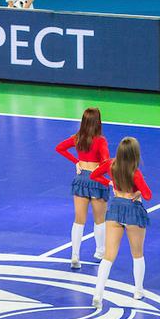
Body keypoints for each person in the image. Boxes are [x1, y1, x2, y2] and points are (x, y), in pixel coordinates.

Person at [90, 136, 153, 308]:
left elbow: (95, 175)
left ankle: (98, 293)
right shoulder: (135, 173)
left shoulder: (111, 165)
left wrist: (109, 182)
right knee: (137, 254)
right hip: (133, 211)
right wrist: (137, 193)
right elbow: (148, 194)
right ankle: (138, 290)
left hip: (115, 209)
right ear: (135, 154)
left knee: (108, 256)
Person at [57, 107, 111, 268]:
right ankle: (100, 251)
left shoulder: (77, 138)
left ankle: (75, 255)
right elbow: (106, 162)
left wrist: (76, 162)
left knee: (79, 220)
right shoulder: (101, 140)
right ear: (98, 122)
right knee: (100, 219)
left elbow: (59, 148)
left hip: (81, 179)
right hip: (96, 179)